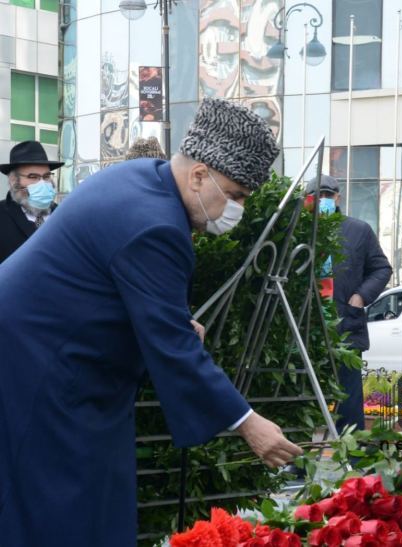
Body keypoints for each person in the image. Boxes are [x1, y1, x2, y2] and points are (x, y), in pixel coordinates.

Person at [0, 98, 302, 546]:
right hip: (43, 366)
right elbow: (172, 345)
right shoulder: (156, 222)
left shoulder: (142, 179)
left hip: (52, 354)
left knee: (89, 496)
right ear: (199, 174)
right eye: (235, 194)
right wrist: (247, 421)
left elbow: (130, 286)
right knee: (61, 505)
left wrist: (175, 322)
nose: (235, 209)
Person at [306, 175, 392, 432]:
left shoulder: (358, 230)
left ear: (338, 198)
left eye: (328, 196)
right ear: (306, 200)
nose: (323, 200)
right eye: (317, 196)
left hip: (346, 324)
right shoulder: (296, 230)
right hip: (305, 327)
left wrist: (360, 297)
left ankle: (353, 463)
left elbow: (381, 269)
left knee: (349, 399)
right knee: (304, 396)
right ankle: (297, 462)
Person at [0, 140, 63, 263]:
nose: (42, 183)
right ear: (13, 181)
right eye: (33, 177)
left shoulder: (62, 214)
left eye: (46, 177)